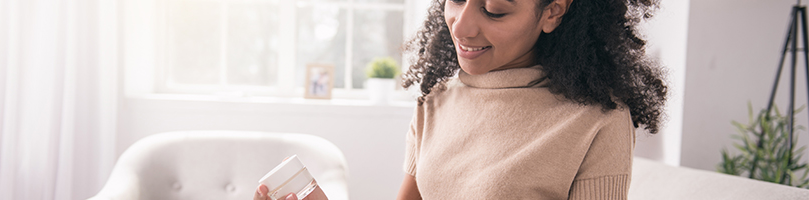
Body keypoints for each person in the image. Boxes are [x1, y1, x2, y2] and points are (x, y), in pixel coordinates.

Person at [254, 0, 666, 199]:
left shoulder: (596, 121)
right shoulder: (437, 98)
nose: (462, 25)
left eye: (495, 11)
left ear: (553, 12)